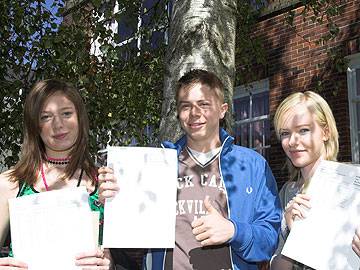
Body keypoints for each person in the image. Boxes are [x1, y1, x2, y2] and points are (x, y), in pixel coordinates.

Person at [99, 69, 282, 269]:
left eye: (204, 104)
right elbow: (129, 247)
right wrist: (113, 204)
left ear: (222, 110)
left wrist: (233, 231)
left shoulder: (252, 165)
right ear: (178, 113)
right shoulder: (154, 166)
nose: (194, 113)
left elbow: (269, 240)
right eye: (186, 106)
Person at [0, 79, 113, 269]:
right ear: (35, 125)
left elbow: (124, 258)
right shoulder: (10, 184)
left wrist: (108, 264)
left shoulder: (106, 184)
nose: (58, 124)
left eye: (66, 113)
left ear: (80, 118)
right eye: (45, 117)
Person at [270, 91, 339, 270]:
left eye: (303, 130)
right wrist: (291, 235)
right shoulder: (288, 191)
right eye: (285, 133)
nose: (292, 141)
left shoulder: (352, 185)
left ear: (326, 132)